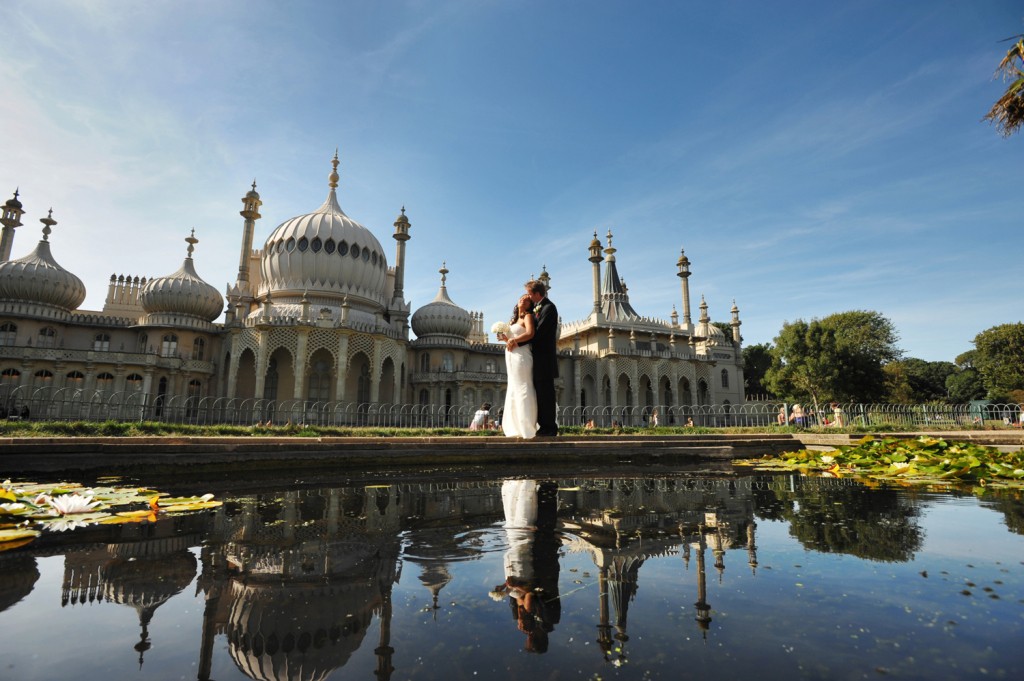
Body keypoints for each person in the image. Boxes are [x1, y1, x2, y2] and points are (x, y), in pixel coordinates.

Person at [521, 279, 559, 437]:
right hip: (537, 359)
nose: (528, 297)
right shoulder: (539, 307)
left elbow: (539, 333)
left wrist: (518, 342)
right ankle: (543, 426)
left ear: (537, 293)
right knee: (540, 394)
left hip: (544, 360)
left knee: (546, 395)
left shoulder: (549, 308)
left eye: (530, 293)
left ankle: (549, 427)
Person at [500, 295, 538, 439]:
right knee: (513, 388)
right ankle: (514, 426)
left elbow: (530, 333)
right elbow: (512, 341)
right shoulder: (513, 320)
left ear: (530, 305)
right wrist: (506, 339)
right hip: (511, 355)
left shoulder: (527, 316)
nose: (523, 300)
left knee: (523, 387)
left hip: (522, 356)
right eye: (521, 298)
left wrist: (513, 340)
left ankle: (527, 427)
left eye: (527, 299)